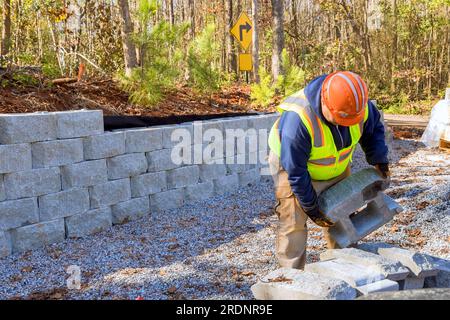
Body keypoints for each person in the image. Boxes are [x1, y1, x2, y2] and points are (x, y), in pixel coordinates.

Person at [267, 71, 390, 269]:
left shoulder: (357, 104)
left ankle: (343, 266)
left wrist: (379, 159)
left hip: (335, 164)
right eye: (341, 120)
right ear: (325, 103)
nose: (345, 126)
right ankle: (291, 278)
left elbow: (373, 129)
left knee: (342, 211)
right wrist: (312, 208)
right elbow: (296, 173)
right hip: (291, 166)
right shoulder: (298, 121)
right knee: (293, 222)